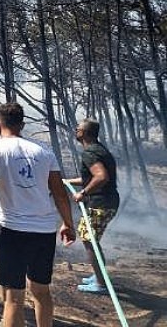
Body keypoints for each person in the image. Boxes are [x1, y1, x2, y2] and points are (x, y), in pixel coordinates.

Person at [0, 102, 75, 327]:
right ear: (22, 124)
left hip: (11, 232)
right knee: (41, 292)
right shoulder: (45, 151)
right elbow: (60, 194)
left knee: (13, 297)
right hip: (44, 232)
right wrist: (67, 223)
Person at [64, 118, 120, 295]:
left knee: (90, 242)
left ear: (84, 133)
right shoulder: (99, 150)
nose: (75, 131)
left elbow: (101, 177)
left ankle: (101, 284)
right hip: (107, 201)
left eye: (78, 128)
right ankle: (99, 276)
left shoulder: (90, 153)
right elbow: (92, 178)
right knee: (92, 241)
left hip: (99, 203)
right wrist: (67, 181)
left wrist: (83, 193)